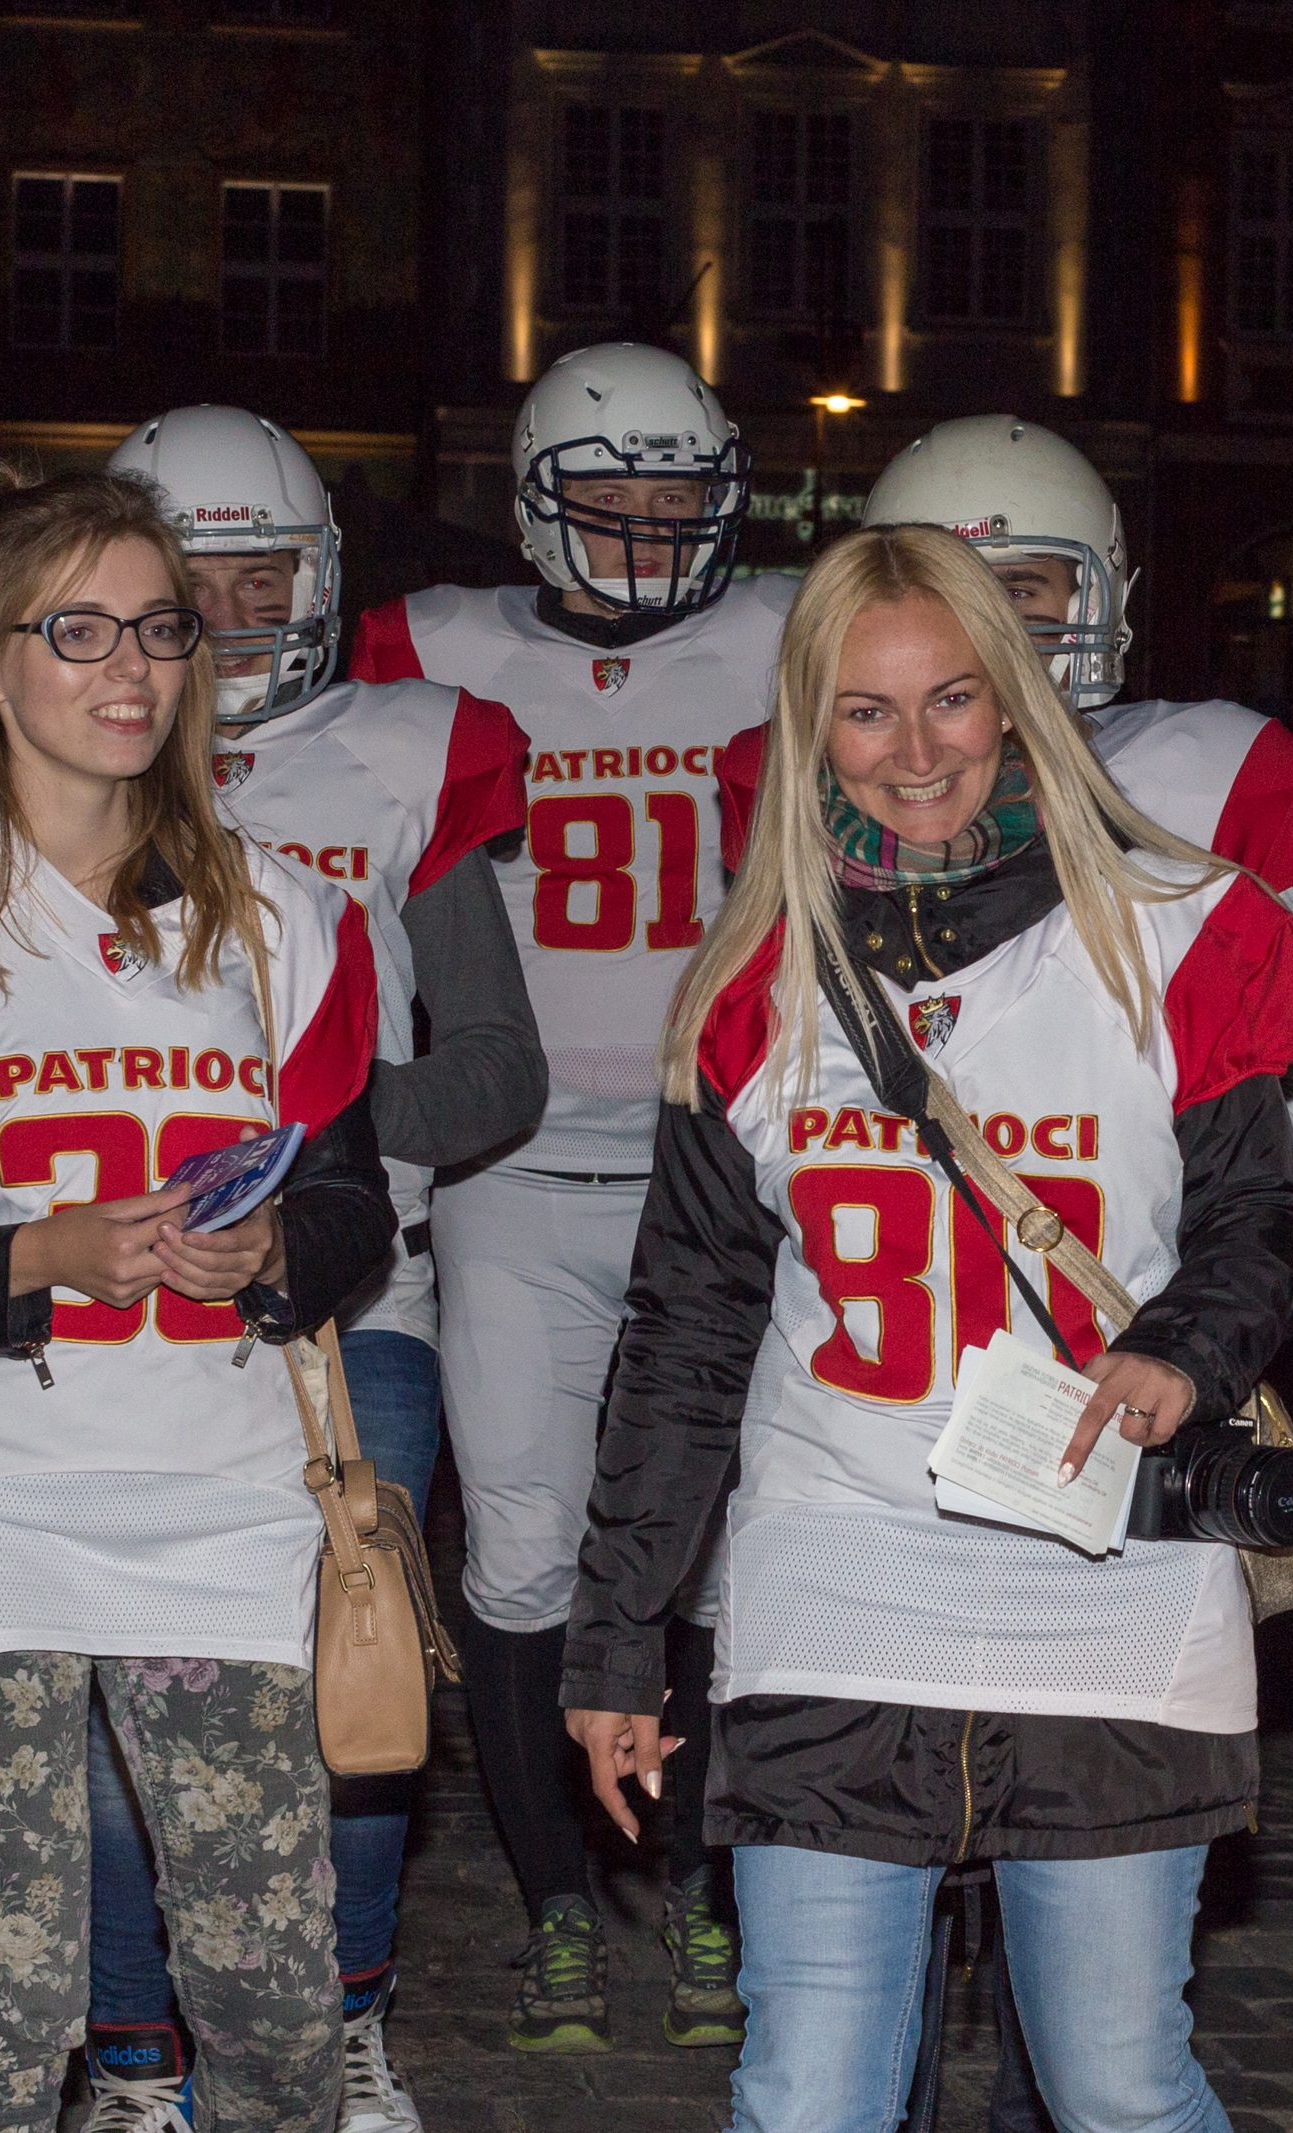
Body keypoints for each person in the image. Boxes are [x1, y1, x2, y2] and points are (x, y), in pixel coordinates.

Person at [559, 524, 1293, 2133]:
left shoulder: (1192, 923)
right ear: (805, 729)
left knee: (1118, 2085)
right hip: (838, 1566)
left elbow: (1261, 1213)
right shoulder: (755, 979)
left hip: (1108, 1565)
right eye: (865, 712)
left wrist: (1186, 1350)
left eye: (955, 701)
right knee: (810, 2095)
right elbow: (687, 1329)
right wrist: (618, 1635)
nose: (916, 753)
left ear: (1020, 695)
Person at [0, 464, 397, 2133]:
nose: (131, 669)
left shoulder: (285, 920)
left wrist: (271, 1259)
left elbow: (352, 1212)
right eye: (80, 628)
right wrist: (39, 1254)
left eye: (160, 628)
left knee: (265, 1987)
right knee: (12, 1989)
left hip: (225, 1501)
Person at [55, 407, 541, 2133]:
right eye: (199, 575)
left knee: (357, 1697)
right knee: (129, 1713)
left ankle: (342, 2021)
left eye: (268, 567)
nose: (240, 606)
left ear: (325, 576)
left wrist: (302, 1126)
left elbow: (496, 1068)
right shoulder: (55, 761)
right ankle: (137, 2054)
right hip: (121, 1321)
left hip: (354, 1314)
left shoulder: (403, 753)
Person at [350, 342, 795, 2052]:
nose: (637, 533)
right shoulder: (436, 652)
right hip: (510, 1161)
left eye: (672, 502)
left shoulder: (783, 633)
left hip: (724, 1156)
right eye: (601, 502)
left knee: (710, 1545)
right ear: (532, 500)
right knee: (524, 1541)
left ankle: (685, 1873)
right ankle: (556, 1899)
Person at [718, 413, 1293, 1200]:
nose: (989, 632)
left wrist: (1130, 1147)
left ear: (1098, 591)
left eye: (1019, 588)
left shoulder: (1209, 779)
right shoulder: (834, 790)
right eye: (951, 599)